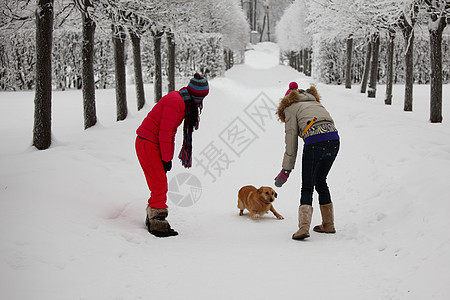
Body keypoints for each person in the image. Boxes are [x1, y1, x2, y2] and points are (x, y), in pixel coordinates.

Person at [135, 73, 209, 238]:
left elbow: (170, 133)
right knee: (159, 185)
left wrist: (166, 157)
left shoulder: (181, 100)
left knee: (159, 183)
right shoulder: (176, 102)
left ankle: (152, 216)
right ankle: (157, 222)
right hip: (148, 143)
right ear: (197, 95)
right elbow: (165, 132)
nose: (201, 102)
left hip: (152, 143)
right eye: (202, 97)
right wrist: (165, 158)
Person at [274, 82, 340, 240]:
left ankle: (303, 228)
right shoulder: (314, 102)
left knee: (307, 185)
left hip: (315, 142)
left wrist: (286, 171)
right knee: (321, 181)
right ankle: (328, 224)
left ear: (287, 100)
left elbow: (291, 143)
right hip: (334, 140)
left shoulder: (290, 108)